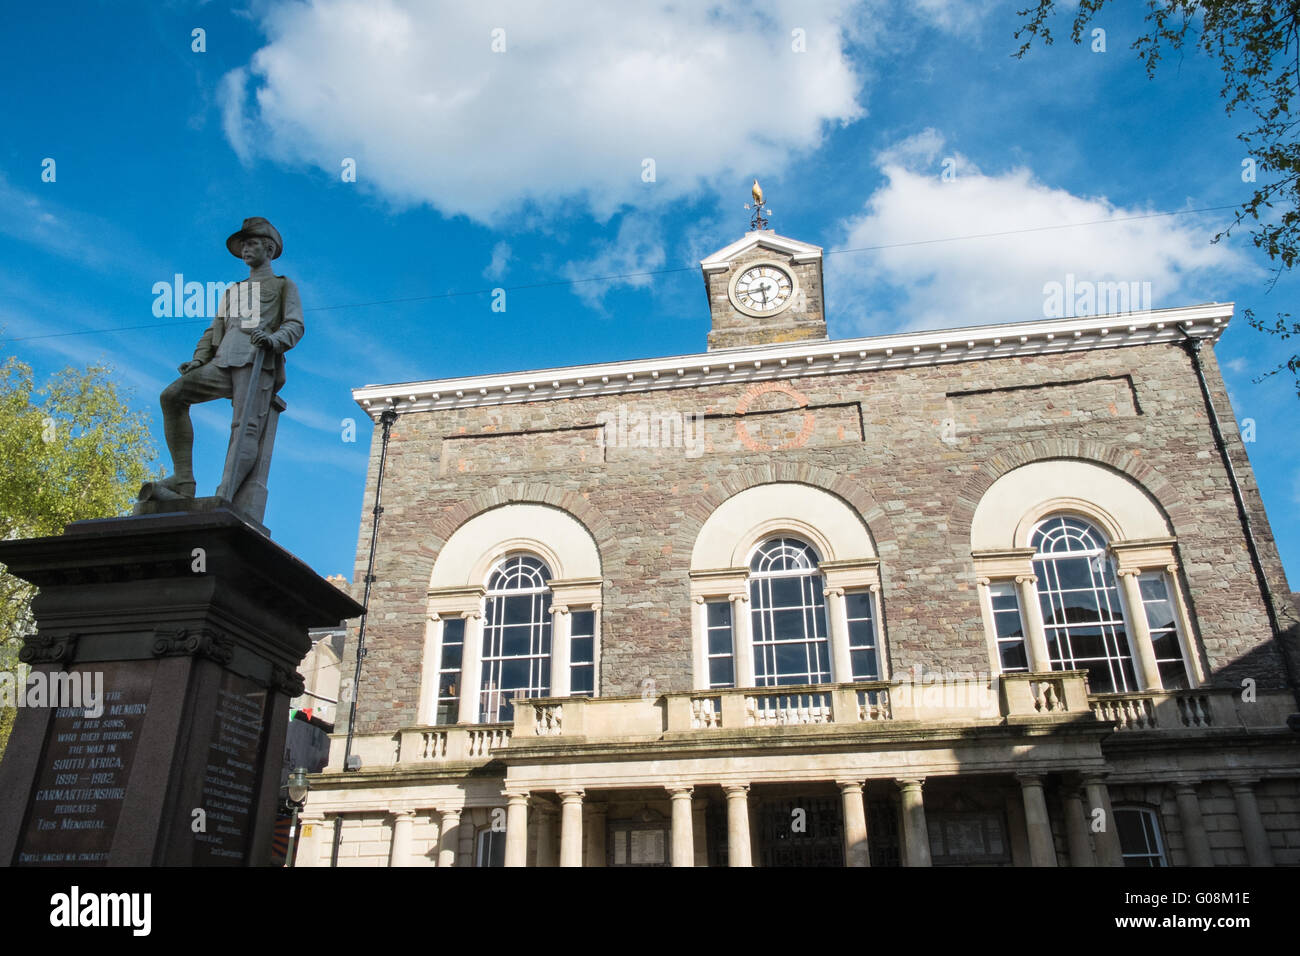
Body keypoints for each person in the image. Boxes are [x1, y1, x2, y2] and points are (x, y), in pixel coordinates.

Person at [156, 217, 303, 500]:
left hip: (256, 360)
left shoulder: (283, 286)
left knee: (244, 427)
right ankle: (183, 479)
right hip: (221, 361)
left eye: (251, 244)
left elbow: (295, 325)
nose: (245, 250)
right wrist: (199, 359)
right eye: (244, 245)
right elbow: (214, 329)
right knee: (171, 396)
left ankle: (225, 496)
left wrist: (273, 340)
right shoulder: (233, 290)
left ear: (268, 249)